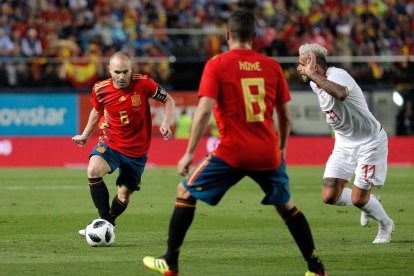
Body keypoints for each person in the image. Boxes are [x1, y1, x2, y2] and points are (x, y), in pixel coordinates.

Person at [143, 10, 327, 276]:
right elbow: (284, 116)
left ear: (227, 36)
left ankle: (170, 261)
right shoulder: (272, 66)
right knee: (286, 206)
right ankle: (316, 268)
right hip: (267, 151)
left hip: (232, 152)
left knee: (185, 192)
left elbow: (204, 111)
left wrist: (188, 152)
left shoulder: (217, 64)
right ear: (254, 37)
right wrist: (283, 147)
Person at [296, 43, 394, 243]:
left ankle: (385, 224)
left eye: (302, 64)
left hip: (369, 142)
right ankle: (371, 202)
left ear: (314, 66)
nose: (299, 68)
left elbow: (341, 94)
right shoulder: (315, 83)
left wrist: (312, 74)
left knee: (358, 199)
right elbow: (316, 83)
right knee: (329, 196)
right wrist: (311, 75)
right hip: (343, 144)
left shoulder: (338, 76)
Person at [72, 51, 175, 235]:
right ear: (109, 70)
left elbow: (168, 100)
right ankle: (104, 221)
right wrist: (85, 135)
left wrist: (166, 122)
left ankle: (107, 222)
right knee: (93, 170)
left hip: (136, 152)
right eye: (117, 72)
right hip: (110, 143)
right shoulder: (100, 89)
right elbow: (96, 111)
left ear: (131, 70)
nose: (121, 77)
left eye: (125, 72)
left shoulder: (144, 84)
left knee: (124, 196)